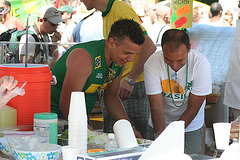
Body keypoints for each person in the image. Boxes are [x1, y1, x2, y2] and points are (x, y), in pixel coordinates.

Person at [51, 19, 145, 138]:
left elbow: (111, 96)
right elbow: (66, 102)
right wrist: (90, 134)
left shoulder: (119, 62)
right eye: (127, 52)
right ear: (111, 43)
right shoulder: (84, 58)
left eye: (134, 54)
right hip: (54, 116)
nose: (130, 59)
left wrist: (129, 128)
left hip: (81, 116)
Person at [81, 0, 156, 139]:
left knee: (135, 141)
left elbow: (149, 45)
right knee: (113, 139)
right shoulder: (107, 13)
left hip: (129, 88)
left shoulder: (120, 9)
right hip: (116, 86)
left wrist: (131, 79)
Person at [144, 29, 212, 154]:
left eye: (180, 60)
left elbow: (193, 107)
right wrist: (161, 136)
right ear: (162, 50)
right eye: (168, 60)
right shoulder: (152, 63)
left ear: (189, 48)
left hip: (191, 125)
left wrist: (173, 134)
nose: (174, 66)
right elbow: (156, 107)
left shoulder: (201, 64)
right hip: (159, 123)